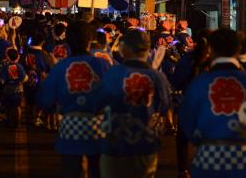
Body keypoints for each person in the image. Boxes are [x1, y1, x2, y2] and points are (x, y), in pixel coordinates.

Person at [37, 21, 110, 178]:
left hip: (70, 127)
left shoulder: (60, 68)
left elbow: (45, 100)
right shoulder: (102, 65)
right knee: (97, 170)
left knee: (73, 170)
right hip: (98, 127)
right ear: (91, 41)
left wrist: (55, 107)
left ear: (68, 41)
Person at [99, 29, 171, 178]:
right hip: (146, 143)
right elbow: (164, 105)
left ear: (124, 49)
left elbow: (100, 101)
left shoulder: (113, 73)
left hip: (114, 143)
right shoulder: (157, 77)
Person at [180, 28, 246, 178]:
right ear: (238, 48)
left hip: (207, 160)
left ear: (210, 49)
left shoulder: (199, 83)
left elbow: (187, 122)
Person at [172, 30, 211, 178]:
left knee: (182, 138)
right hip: (208, 104)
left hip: (187, 102)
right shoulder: (214, 61)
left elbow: (177, 80)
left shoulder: (188, 58)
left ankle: (183, 170)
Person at [0, 48, 27, 127]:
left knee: (8, 106)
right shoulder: (20, 66)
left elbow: (2, 79)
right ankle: (18, 121)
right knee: (17, 106)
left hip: (8, 88)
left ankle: (9, 120)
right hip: (18, 88)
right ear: (17, 56)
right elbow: (24, 78)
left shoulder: (6, 66)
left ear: (8, 57)